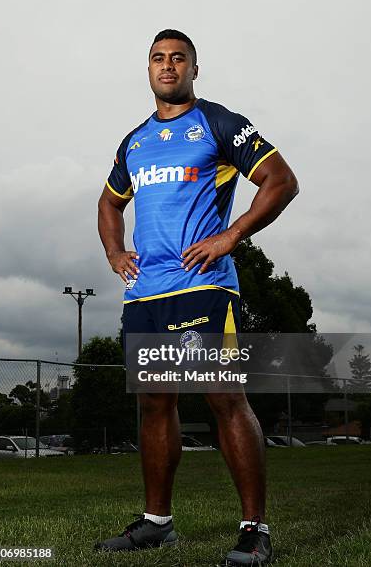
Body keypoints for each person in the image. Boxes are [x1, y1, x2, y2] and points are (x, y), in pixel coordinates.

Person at [96, 29, 299, 566]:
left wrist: (230, 236)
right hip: (146, 296)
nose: (168, 66)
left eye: (177, 58)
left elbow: (280, 180)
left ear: (193, 68)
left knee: (224, 398)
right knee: (155, 403)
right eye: (158, 59)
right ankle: (157, 524)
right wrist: (117, 254)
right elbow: (108, 204)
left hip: (205, 286)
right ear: (148, 70)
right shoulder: (134, 141)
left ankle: (255, 530)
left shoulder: (219, 122)